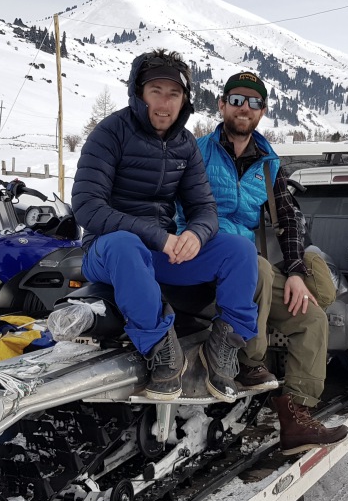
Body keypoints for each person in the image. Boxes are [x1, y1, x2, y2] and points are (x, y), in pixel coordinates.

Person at [71, 50, 259, 403]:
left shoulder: (184, 144)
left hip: (159, 251)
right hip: (106, 251)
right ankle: (161, 350)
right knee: (126, 243)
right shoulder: (110, 133)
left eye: (174, 94)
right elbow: (87, 207)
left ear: (184, 100)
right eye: (156, 90)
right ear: (139, 93)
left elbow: (205, 208)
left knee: (240, 250)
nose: (164, 103)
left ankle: (224, 344)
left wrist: (195, 233)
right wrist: (157, 236)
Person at [194, 71, 348, 455]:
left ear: (262, 111)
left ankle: (296, 416)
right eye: (236, 99)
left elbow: (290, 221)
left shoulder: (268, 163)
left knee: (310, 314)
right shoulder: (196, 152)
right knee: (255, 264)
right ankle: (250, 363)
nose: (243, 108)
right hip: (201, 260)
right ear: (221, 104)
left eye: (253, 102)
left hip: (248, 270)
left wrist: (296, 271)